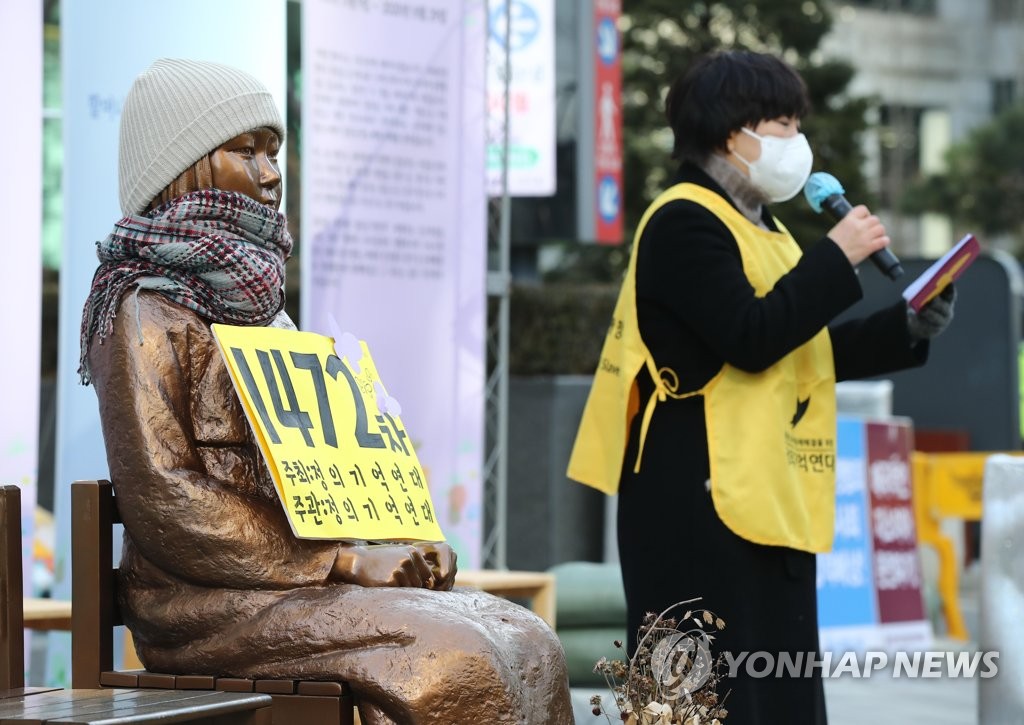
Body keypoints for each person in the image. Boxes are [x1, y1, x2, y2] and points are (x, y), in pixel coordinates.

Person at [80, 58, 572, 725]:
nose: (271, 173)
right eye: (245, 150)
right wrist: (339, 559)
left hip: (301, 586)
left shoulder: (265, 311)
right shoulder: (141, 311)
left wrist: (405, 537)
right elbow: (165, 496)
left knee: (530, 640)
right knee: (457, 656)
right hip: (202, 602)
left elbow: (336, 461)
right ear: (184, 163)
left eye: (274, 151)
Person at [568, 50, 955, 724]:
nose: (795, 142)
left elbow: (803, 349)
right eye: (781, 123)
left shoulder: (768, 230)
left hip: (765, 489)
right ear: (731, 132)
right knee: (700, 693)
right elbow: (750, 335)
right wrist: (836, 257)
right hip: (696, 498)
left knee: (778, 691)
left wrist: (908, 327)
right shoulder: (682, 220)